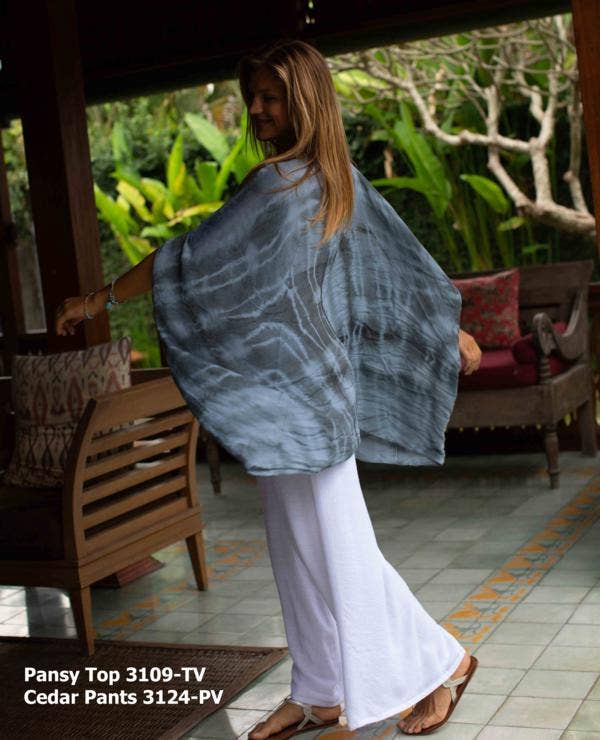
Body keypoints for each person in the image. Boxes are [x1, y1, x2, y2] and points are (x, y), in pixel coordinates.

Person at [55, 39, 482, 737]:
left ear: (304, 101)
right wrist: (101, 297)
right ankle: (319, 688)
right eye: (252, 95)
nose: (256, 108)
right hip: (280, 401)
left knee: (337, 547)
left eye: (270, 97)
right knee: (295, 546)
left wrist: (446, 331)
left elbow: (394, 266)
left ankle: (444, 661)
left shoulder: (320, 181)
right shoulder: (289, 181)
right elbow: (198, 259)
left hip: (312, 401)